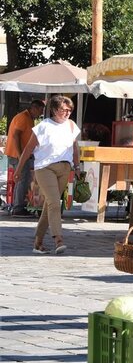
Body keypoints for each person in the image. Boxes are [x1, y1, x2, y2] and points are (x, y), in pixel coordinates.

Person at [13, 96, 80, 254]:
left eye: (69, 110)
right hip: (45, 168)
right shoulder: (44, 126)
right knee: (55, 203)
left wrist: (77, 166)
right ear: (54, 110)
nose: (67, 113)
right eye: (64, 110)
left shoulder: (71, 125)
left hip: (64, 167)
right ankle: (58, 239)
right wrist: (18, 170)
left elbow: (75, 148)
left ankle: (38, 242)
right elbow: (28, 149)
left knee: (49, 205)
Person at [5, 99, 45, 216]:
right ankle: (18, 207)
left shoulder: (28, 118)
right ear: (34, 108)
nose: (41, 113)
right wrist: (20, 154)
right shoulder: (23, 117)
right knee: (23, 179)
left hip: (19, 154)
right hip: (17, 154)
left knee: (21, 179)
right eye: (41, 110)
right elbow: (16, 135)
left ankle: (18, 205)